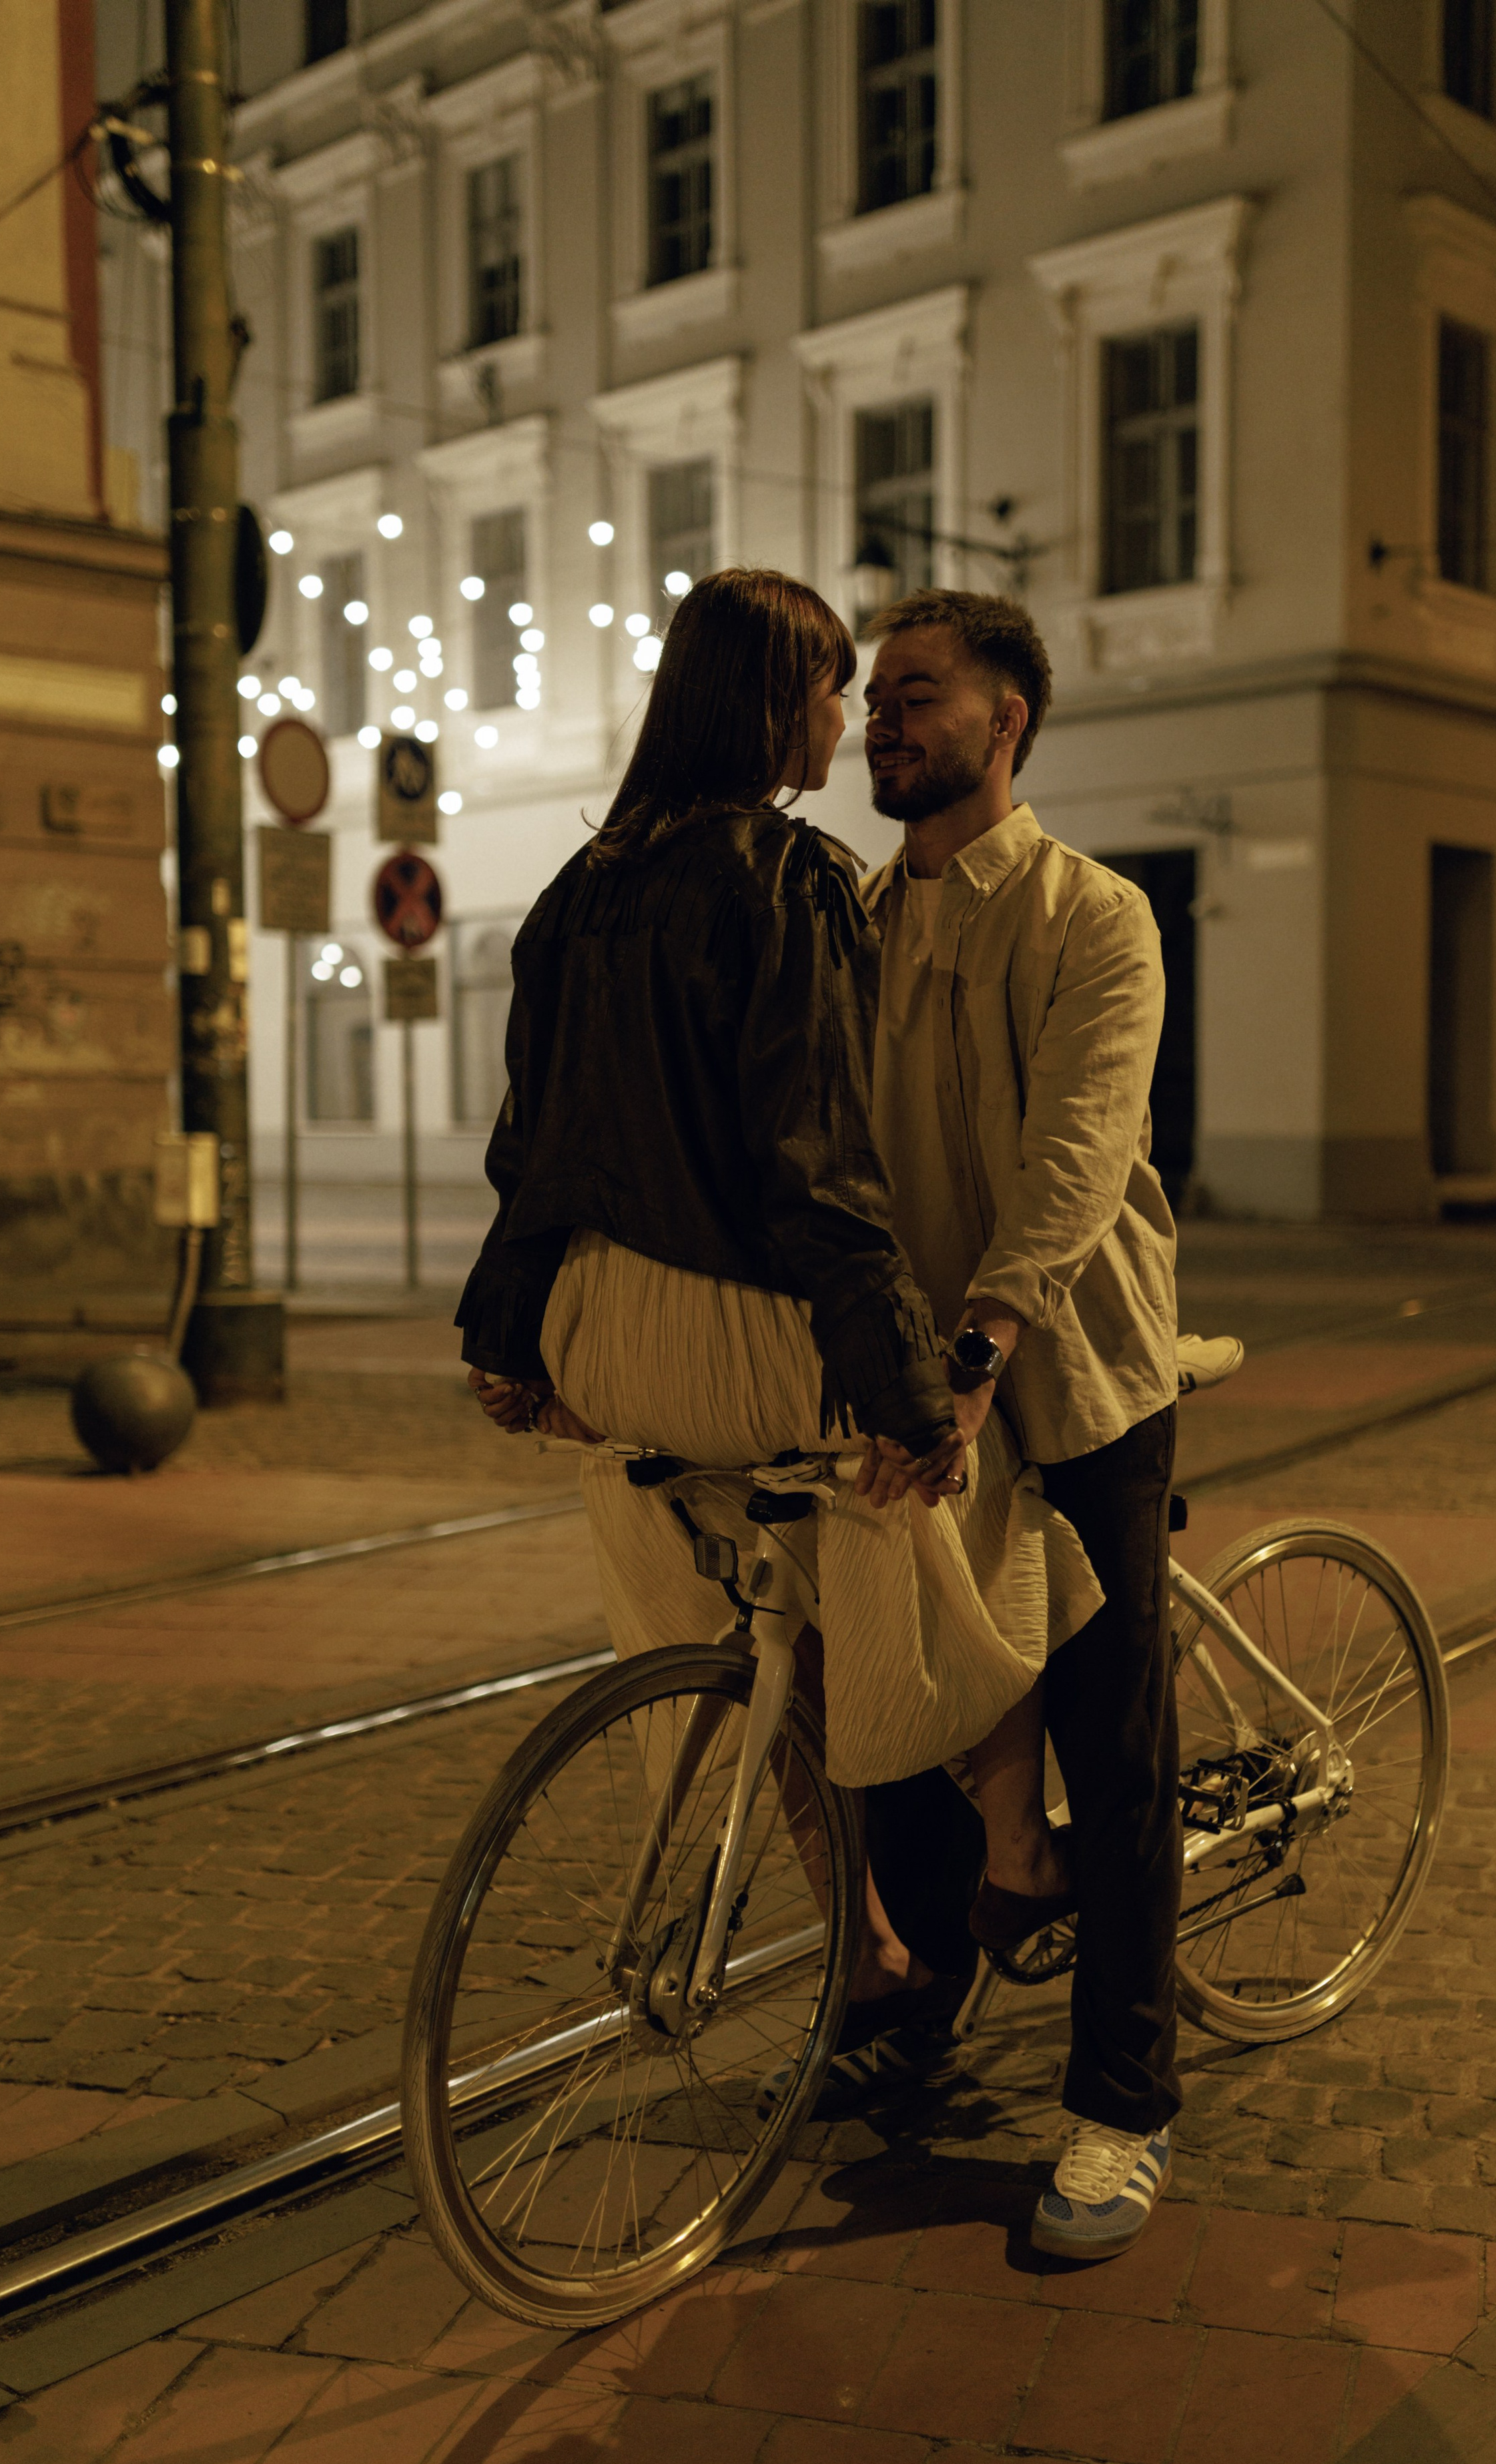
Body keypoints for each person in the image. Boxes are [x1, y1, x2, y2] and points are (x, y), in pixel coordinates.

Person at [455, 565, 1100, 2054]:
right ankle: (1017, 1855)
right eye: (827, 690)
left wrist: (506, 1341)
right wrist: (908, 1396)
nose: (842, 720)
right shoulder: (788, 877)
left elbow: (523, 1146)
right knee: (956, 1528)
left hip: (595, 1337)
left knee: (764, 1621)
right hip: (737, 1334)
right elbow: (818, 1165)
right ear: (770, 704)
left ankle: (862, 1939)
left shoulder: (574, 893)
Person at [855, 585, 1182, 2264]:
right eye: (869, 697)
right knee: (900, 1714)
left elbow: (1071, 1153)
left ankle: (1122, 2108)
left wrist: (982, 1343)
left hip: (1073, 1375)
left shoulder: (1093, 916)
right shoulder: (853, 916)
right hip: (923, 1380)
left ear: (1008, 722)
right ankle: (924, 1996)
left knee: (1109, 1741)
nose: (879, 719)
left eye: (917, 693)